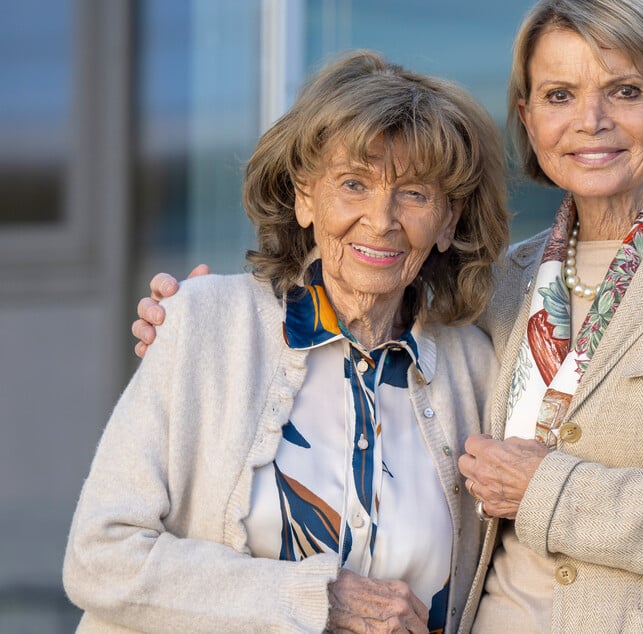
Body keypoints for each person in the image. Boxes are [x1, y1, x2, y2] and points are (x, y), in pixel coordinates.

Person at [131, 1, 643, 631]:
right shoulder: (493, 286)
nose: (591, 120)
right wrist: (205, 336)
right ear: (528, 120)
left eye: (626, 90)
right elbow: (356, 323)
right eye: (559, 95)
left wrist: (546, 488)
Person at [63, 50, 509, 633]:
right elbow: (100, 558)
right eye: (354, 184)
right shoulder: (204, 324)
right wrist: (317, 600)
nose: (382, 219)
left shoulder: (476, 369)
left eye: (416, 194)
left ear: (449, 221)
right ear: (305, 197)